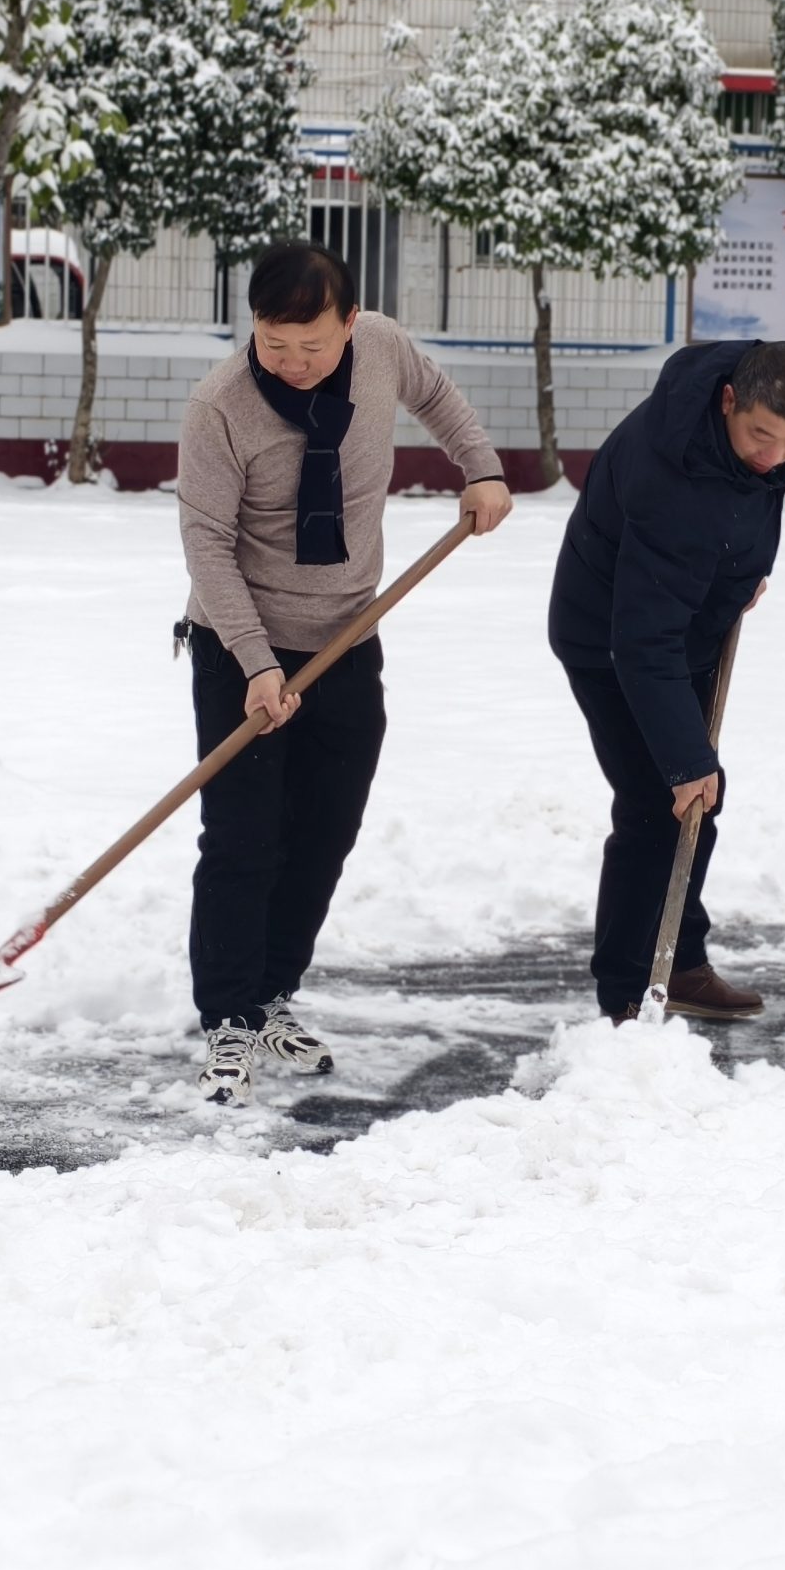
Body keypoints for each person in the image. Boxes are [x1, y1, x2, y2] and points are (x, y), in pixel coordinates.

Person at [176, 241, 512, 1104]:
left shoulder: (385, 350)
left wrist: (480, 468)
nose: (290, 363)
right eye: (272, 342)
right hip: (240, 646)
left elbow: (436, 396)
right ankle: (227, 1022)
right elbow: (207, 544)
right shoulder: (220, 407)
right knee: (243, 839)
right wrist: (256, 665)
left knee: (323, 832)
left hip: (348, 638)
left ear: (350, 323)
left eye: (311, 347)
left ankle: (271, 993)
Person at [547, 339, 785, 1024]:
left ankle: (678, 961)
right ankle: (625, 993)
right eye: (761, 435)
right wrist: (682, 761)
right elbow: (641, 639)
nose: (774, 456)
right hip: (611, 642)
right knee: (659, 805)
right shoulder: (671, 474)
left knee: (696, 802)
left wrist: (737, 571)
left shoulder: (752, 430)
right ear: (728, 400)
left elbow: (746, 497)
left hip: (685, 620)